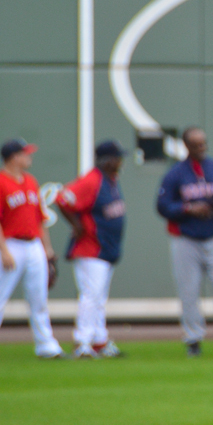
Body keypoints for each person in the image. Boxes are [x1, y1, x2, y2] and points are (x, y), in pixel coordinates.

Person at [0, 138, 65, 360]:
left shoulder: (30, 181)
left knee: (39, 299)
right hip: (8, 243)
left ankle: (46, 345)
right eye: (25, 153)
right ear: (13, 157)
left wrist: (47, 250)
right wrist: (3, 250)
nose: (29, 156)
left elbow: (40, 219)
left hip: (33, 246)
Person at [156, 127, 213, 358]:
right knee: (189, 291)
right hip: (186, 240)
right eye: (196, 144)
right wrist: (188, 208)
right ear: (187, 146)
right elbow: (163, 205)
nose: (202, 147)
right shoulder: (175, 173)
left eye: (203, 143)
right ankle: (193, 340)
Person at [56, 140, 127, 359]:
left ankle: (99, 340)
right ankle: (82, 342)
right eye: (117, 158)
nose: (120, 162)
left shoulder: (110, 180)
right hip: (90, 249)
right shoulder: (92, 180)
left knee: (98, 298)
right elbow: (62, 197)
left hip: (104, 249)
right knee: (91, 296)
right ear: (108, 160)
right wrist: (75, 224)